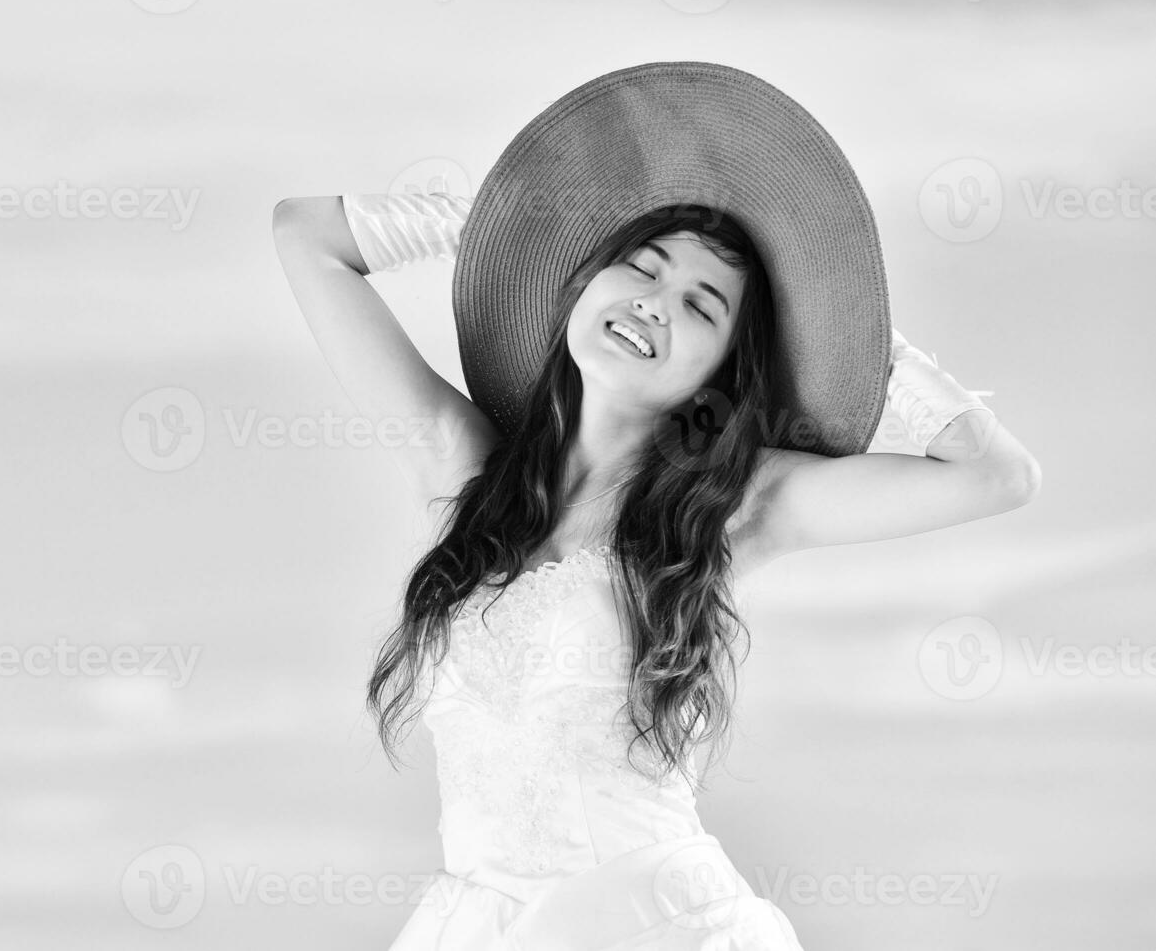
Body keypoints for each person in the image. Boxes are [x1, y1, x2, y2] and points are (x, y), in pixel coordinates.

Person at [272, 63, 1040, 950]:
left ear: (720, 370)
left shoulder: (730, 505)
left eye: (700, 306)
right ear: (581, 283)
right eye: (638, 267)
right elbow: (305, 236)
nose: (653, 304)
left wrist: (870, 340)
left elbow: (994, 475)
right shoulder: (466, 472)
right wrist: (503, 218)